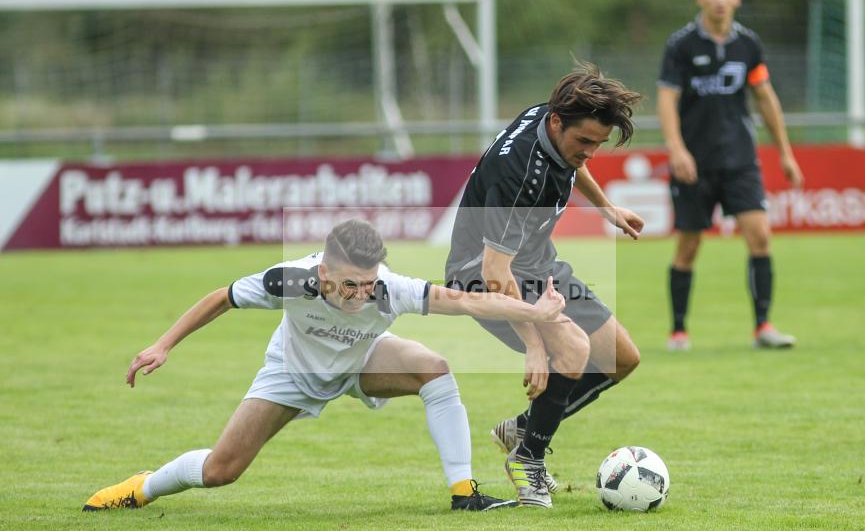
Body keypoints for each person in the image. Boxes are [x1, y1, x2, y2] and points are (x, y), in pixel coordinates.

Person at [83, 219, 567, 513]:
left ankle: (464, 492)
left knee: (435, 369)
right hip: (293, 374)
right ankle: (141, 488)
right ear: (323, 273)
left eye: (368, 284)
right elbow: (222, 298)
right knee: (220, 471)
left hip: (361, 362)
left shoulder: (388, 288)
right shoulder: (289, 280)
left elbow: (465, 302)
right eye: (350, 285)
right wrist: (163, 344)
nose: (361, 295)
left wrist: (536, 317)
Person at [444, 62, 645, 507]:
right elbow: (496, 272)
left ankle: (522, 429)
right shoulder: (518, 175)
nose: (590, 152)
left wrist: (607, 208)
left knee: (622, 357)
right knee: (571, 347)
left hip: (537, 266)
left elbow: (574, 162)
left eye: (598, 143)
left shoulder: (552, 119)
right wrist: (535, 342)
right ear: (557, 123)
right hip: (480, 276)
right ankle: (527, 459)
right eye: (585, 141)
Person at [657, 0, 803, 351]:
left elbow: (765, 97)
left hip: (740, 160)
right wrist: (677, 149)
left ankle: (763, 326)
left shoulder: (748, 44)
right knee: (689, 245)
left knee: (760, 236)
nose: (719, 0)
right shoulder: (681, 45)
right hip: (695, 163)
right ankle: (678, 331)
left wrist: (785, 152)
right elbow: (666, 100)